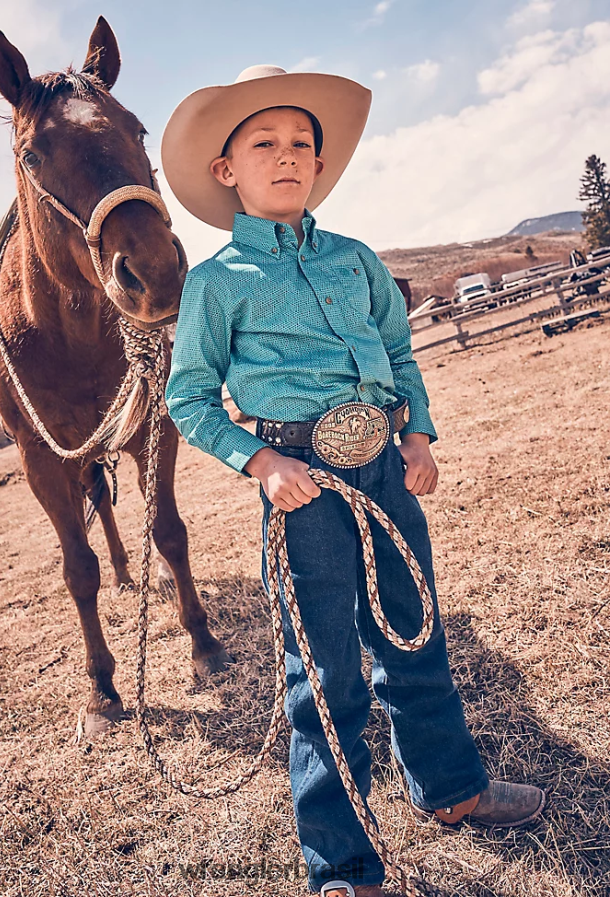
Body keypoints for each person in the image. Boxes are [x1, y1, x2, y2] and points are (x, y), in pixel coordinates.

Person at [161, 65, 545, 897]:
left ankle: (451, 788)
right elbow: (187, 398)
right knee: (324, 672)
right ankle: (343, 865)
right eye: (264, 142)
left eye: (301, 142)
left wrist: (417, 432)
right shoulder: (216, 284)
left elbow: (400, 353)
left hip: (384, 468)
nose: (286, 155)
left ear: (320, 163)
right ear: (226, 169)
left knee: (414, 630)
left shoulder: (357, 260)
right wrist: (262, 462)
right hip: (302, 486)